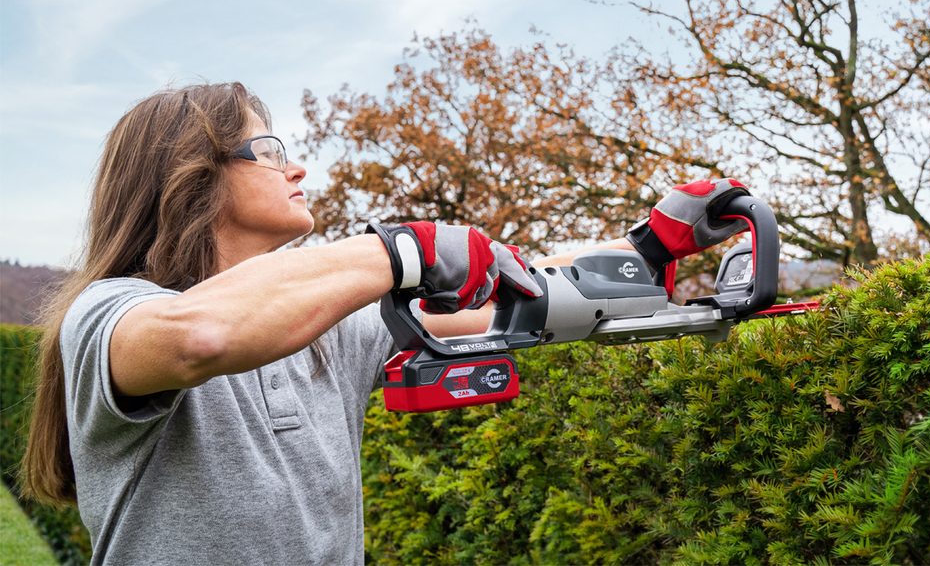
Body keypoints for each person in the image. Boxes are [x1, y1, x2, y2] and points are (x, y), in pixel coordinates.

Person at [20, 82, 748, 565]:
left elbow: (517, 288)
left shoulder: (330, 326)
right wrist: (404, 249)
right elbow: (198, 336)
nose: (296, 169)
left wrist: (648, 248)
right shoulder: (106, 315)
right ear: (190, 174)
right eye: (268, 151)